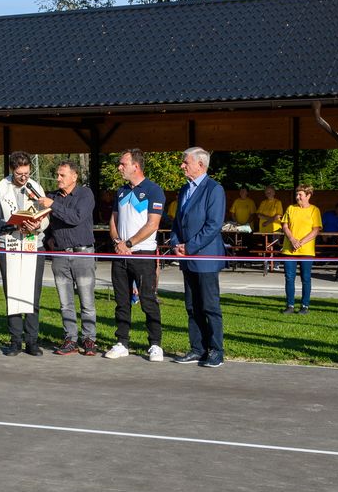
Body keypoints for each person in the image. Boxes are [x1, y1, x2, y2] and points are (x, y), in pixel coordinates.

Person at [104, 149, 165, 362]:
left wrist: (129, 243)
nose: (119, 167)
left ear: (136, 166)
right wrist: (117, 242)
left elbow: (153, 224)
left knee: (148, 300)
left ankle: (155, 344)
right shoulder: (121, 191)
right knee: (122, 301)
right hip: (121, 254)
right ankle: (122, 342)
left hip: (143, 254)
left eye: (123, 164)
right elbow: (113, 220)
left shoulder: (153, 190)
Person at [0, 151, 49, 356]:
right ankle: (15, 340)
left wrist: (37, 225)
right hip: (11, 244)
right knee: (13, 292)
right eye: (19, 174)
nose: (24, 178)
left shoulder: (36, 187)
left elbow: (45, 216)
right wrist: (13, 226)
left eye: (26, 173)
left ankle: (32, 340)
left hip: (33, 244)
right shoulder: (0, 189)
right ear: (11, 170)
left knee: (32, 293)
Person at [171, 148, 226, 368]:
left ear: (200, 165)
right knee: (192, 306)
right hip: (187, 258)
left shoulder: (214, 189)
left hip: (206, 258)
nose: (182, 166)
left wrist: (190, 247)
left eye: (186, 162)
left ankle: (216, 351)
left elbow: (213, 225)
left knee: (209, 306)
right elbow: (178, 221)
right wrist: (176, 243)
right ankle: (197, 348)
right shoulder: (185, 189)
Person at [37, 159, 98, 357]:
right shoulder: (52, 197)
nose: (58, 178)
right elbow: (44, 223)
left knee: (87, 301)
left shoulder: (85, 194)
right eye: (57, 174)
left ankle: (89, 339)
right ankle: (70, 338)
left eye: (62, 175)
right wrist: (48, 240)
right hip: (60, 255)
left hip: (83, 253)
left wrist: (53, 205)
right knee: (65, 302)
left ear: (74, 176)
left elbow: (76, 218)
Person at [279, 184, 321, 314]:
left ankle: (305, 306)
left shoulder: (314, 210)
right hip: (289, 250)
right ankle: (290, 305)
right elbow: (285, 226)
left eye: (300, 195)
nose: (297, 197)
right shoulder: (291, 208)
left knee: (306, 278)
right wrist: (292, 239)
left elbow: (316, 230)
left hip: (306, 251)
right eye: (297, 194)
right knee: (289, 277)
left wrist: (301, 242)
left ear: (308, 195)